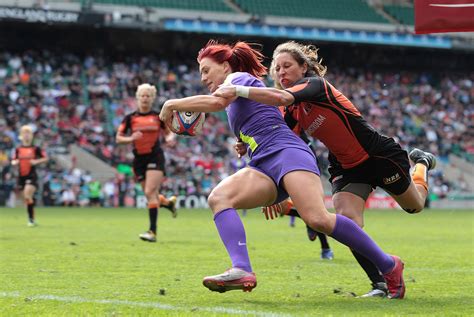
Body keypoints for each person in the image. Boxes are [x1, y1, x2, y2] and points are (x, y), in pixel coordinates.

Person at [159, 40, 404, 296]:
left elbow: (217, 103)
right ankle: (242, 269)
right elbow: (253, 121)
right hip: (263, 162)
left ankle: (389, 265)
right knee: (219, 198)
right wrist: (244, 143)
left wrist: (172, 103)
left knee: (317, 219)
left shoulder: (237, 78)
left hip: (288, 153)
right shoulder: (232, 96)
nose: (203, 77)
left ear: (225, 65)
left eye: (206, 70)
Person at [214, 41, 437, 299]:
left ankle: (421, 163)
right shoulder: (290, 111)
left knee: (415, 205)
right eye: (276, 69)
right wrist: (247, 146)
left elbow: (282, 96)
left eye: (287, 66)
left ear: (303, 67)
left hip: (377, 154)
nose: (281, 72)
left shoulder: (316, 86)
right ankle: (381, 283)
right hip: (346, 167)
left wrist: (237, 89)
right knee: (348, 222)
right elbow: (282, 144)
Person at [116, 83, 178, 243]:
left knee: (150, 192)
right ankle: (167, 203)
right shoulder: (130, 118)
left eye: (148, 95)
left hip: (155, 157)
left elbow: (169, 133)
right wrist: (131, 138)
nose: (145, 98)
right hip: (138, 160)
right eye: (142, 95)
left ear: (152, 98)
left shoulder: (159, 116)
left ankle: (152, 232)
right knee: (150, 195)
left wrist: (170, 139)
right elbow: (118, 138)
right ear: (137, 97)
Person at [11, 125, 48, 226]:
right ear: (21, 136)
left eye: (28, 133)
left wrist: (36, 161)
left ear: (31, 136)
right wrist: (14, 162)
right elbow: (14, 160)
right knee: (26, 199)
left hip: (31, 175)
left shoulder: (35, 148)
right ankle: (32, 218)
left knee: (27, 195)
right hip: (21, 176)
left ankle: (31, 220)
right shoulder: (18, 149)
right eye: (24, 133)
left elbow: (45, 158)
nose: (26, 135)